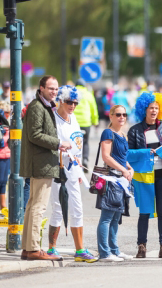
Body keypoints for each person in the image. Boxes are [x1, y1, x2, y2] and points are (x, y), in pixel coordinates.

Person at [20, 76, 72, 261]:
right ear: (41, 88)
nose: (54, 92)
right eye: (50, 88)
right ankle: (33, 249)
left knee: (33, 205)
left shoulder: (43, 106)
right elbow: (35, 135)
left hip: (40, 162)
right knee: (38, 207)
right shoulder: (37, 106)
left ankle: (27, 248)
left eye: (56, 89)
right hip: (40, 163)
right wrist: (58, 143)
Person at [43, 86, 97, 262]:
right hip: (57, 168)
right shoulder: (53, 119)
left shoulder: (73, 119)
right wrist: (62, 148)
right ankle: (51, 248)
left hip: (74, 169)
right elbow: (47, 143)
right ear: (61, 100)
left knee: (78, 208)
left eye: (75, 102)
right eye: (69, 102)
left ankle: (80, 250)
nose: (72, 105)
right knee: (58, 208)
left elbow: (77, 142)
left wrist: (79, 163)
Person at [128, 91, 162, 259]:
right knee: (145, 212)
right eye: (150, 108)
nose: (153, 111)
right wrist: (146, 152)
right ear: (144, 109)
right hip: (143, 176)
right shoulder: (134, 130)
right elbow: (129, 154)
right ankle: (141, 246)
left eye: (156, 108)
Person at [97, 104, 134, 262]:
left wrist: (129, 168)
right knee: (106, 217)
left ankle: (114, 249)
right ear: (111, 116)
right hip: (112, 178)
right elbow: (106, 157)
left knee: (115, 217)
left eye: (124, 115)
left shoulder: (123, 135)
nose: (122, 117)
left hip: (122, 180)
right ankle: (104, 253)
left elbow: (122, 158)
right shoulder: (108, 133)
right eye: (118, 114)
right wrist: (123, 170)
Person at [74, 79, 99, 171]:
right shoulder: (89, 94)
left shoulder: (73, 93)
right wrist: (95, 121)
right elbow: (94, 109)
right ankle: (85, 159)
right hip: (86, 122)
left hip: (75, 122)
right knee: (85, 142)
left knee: (73, 142)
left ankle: (74, 161)